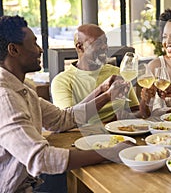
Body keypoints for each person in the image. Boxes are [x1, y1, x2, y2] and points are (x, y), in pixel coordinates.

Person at [0, 15, 135, 192]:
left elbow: (64, 118)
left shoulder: (21, 91)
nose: (40, 50)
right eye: (33, 44)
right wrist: (110, 152)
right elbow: (41, 158)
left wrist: (104, 93)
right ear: (14, 50)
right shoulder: (5, 98)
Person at [51, 24, 140, 123]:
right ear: (80, 47)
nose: (105, 47)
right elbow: (67, 120)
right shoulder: (62, 81)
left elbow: (136, 111)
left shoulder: (117, 72)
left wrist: (145, 102)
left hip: (119, 132)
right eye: (98, 43)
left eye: (105, 42)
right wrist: (105, 94)